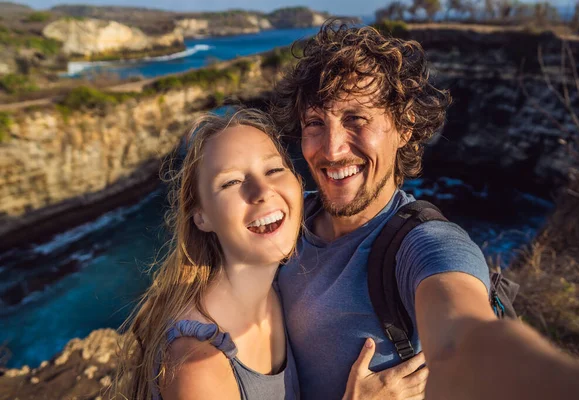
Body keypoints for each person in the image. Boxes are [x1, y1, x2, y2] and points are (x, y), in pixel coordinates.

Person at [272, 22, 496, 399]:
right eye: (315, 123)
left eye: (355, 119)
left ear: (404, 126)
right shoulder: (285, 219)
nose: (331, 150)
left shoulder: (423, 245)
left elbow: (475, 340)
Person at [115, 109, 304, 399]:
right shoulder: (198, 364)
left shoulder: (280, 290)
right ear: (201, 217)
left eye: (273, 170)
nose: (262, 190)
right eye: (231, 182)